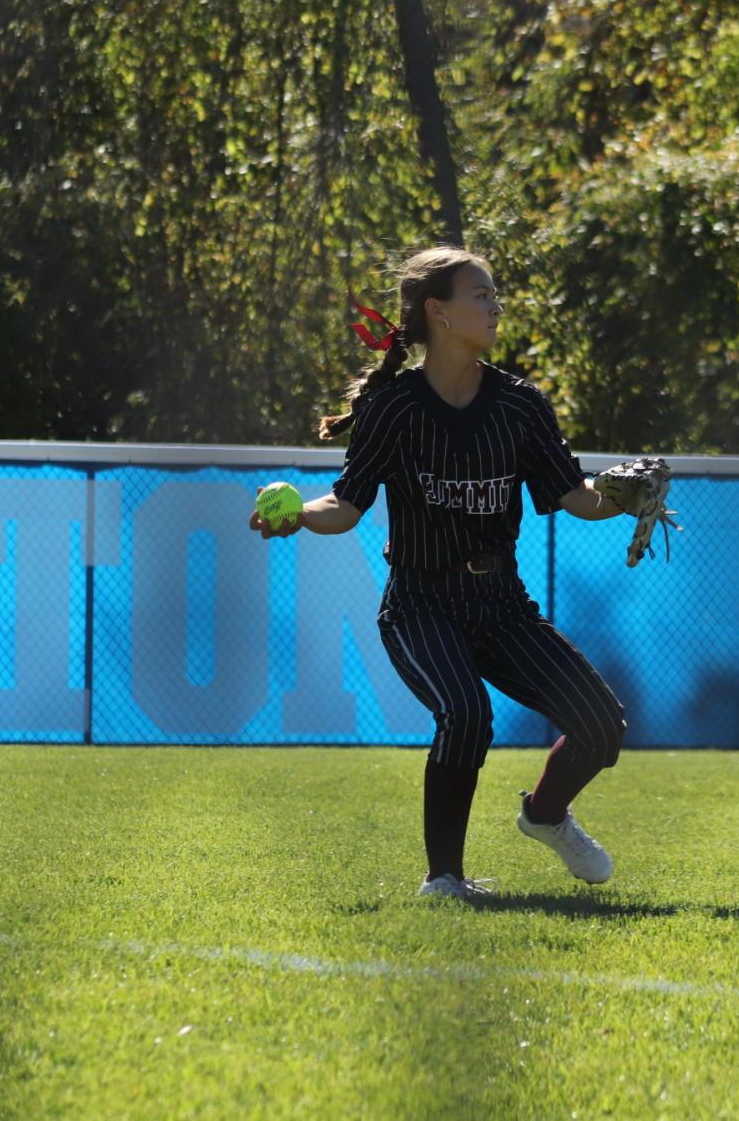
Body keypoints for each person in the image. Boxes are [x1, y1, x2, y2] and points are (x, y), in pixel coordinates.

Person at [250, 245, 638, 899]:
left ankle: (544, 817)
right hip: (420, 603)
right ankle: (444, 879)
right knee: (464, 710)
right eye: (479, 294)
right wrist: (300, 517)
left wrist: (623, 495)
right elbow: (345, 503)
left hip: (501, 606)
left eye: (493, 293)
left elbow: (577, 499)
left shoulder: (519, 405)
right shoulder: (395, 407)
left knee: (602, 724)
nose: (494, 305)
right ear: (438, 311)